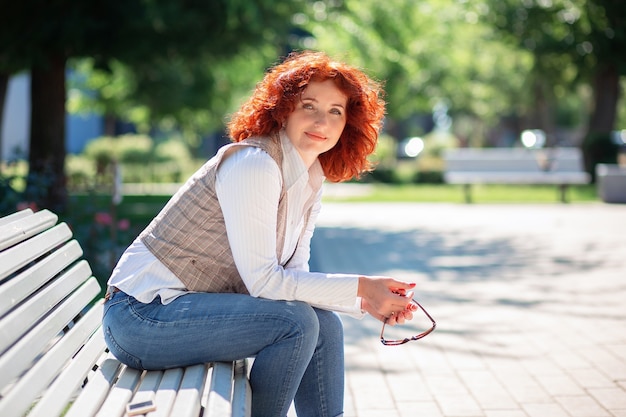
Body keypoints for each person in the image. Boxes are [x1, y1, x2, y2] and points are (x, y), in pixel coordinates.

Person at [102, 50, 419, 417]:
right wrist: (362, 288)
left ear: (349, 123)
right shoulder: (255, 165)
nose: (322, 121)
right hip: (141, 317)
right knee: (295, 323)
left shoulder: (310, 177)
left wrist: (368, 300)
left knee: (324, 324)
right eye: (309, 106)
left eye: (336, 111)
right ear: (283, 109)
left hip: (180, 312)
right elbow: (264, 283)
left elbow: (295, 276)